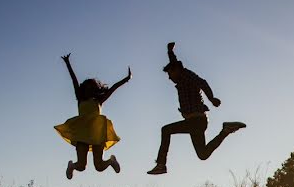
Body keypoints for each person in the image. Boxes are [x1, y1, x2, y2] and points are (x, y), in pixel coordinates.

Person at [147, 42, 246, 175]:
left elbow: (202, 83)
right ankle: (225, 130)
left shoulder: (186, 75)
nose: (169, 78)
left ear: (177, 71)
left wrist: (211, 98)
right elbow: (174, 63)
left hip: (196, 121)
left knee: (166, 130)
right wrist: (170, 52)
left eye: (170, 74)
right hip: (196, 123)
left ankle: (161, 164)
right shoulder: (181, 77)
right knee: (203, 154)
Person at [55, 53, 131, 179]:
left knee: (99, 166)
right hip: (82, 133)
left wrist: (126, 79)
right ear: (83, 89)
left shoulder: (99, 100)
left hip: (97, 134)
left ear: (96, 89)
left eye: (92, 87)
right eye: (87, 87)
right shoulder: (80, 99)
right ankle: (71, 166)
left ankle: (111, 161)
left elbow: (113, 88)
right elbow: (74, 80)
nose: (89, 89)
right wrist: (68, 63)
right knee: (81, 166)